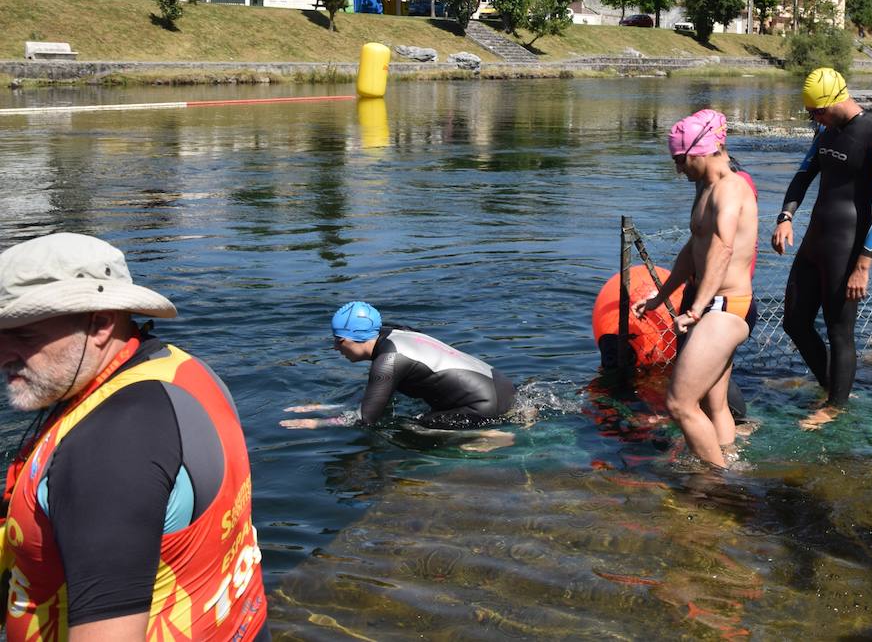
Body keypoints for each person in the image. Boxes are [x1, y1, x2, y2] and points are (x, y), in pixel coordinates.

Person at [0, 233, 268, 641]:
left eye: (24, 335)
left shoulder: (107, 450)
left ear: (102, 322)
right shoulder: (180, 370)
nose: (3, 354)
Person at [773, 67, 872, 428]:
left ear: (836, 100)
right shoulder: (826, 131)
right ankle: (833, 386)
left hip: (848, 247)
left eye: (818, 112)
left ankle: (835, 406)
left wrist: (865, 262)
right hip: (815, 240)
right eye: (812, 114)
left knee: (839, 330)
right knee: (794, 321)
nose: (815, 119)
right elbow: (803, 174)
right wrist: (785, 216)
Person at [634, 109, 758, 468]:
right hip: (714, 304)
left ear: (700, 151)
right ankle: (730, 463)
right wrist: (662, 296)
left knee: (679, 403)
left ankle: (716, 481)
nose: (679, 170)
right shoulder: (705, 187)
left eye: (681, 160)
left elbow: (722, 247)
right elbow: (694, 249)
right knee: (711, 403)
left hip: (725, 306)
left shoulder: (730, 189)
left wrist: (697, 307)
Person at [292, 301, 515, 431]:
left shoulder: (389, 360)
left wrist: (316, 424)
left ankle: (487, 437)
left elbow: (365, 419)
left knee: (414, 426)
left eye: (339, 340)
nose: (335, 348)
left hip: (485, 407)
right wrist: (327, 407)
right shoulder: (395, 333)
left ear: (356, 338)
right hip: (503, 387)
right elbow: (375, 396)